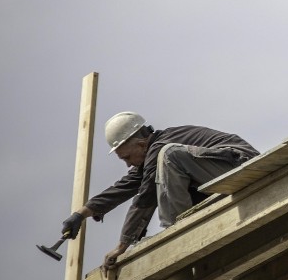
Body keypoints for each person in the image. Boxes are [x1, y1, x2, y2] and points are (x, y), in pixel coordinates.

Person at [61, 111, 259, 270]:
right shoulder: (153, 153)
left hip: (242, 167)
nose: (129, 165)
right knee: (166, 163)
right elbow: (126, 185)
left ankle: (174, 230)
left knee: (169, 155)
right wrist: (82, 213)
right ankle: (181, 225)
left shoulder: (161, 148)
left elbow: (145, 196)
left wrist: (122, 246)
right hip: (223, 174)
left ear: (141, 144)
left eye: (127, 158)